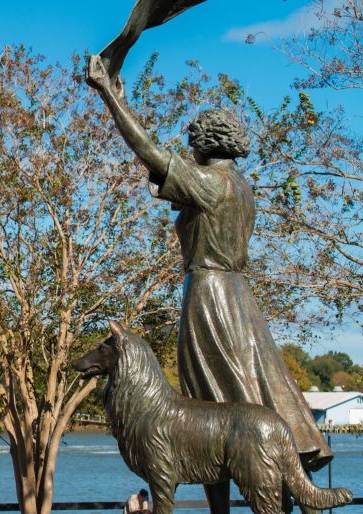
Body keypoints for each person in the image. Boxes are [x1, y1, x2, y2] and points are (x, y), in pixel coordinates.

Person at [85, 56, 332, 512]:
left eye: (192, 140)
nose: (187, 146)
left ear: (204, 143)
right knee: (235, 397)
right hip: (238, 298)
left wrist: (110, 96)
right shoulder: (240, 185)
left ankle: (257, 499)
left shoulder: (212, 183)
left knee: (207, 404)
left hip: (209, 297)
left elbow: (149, 153)